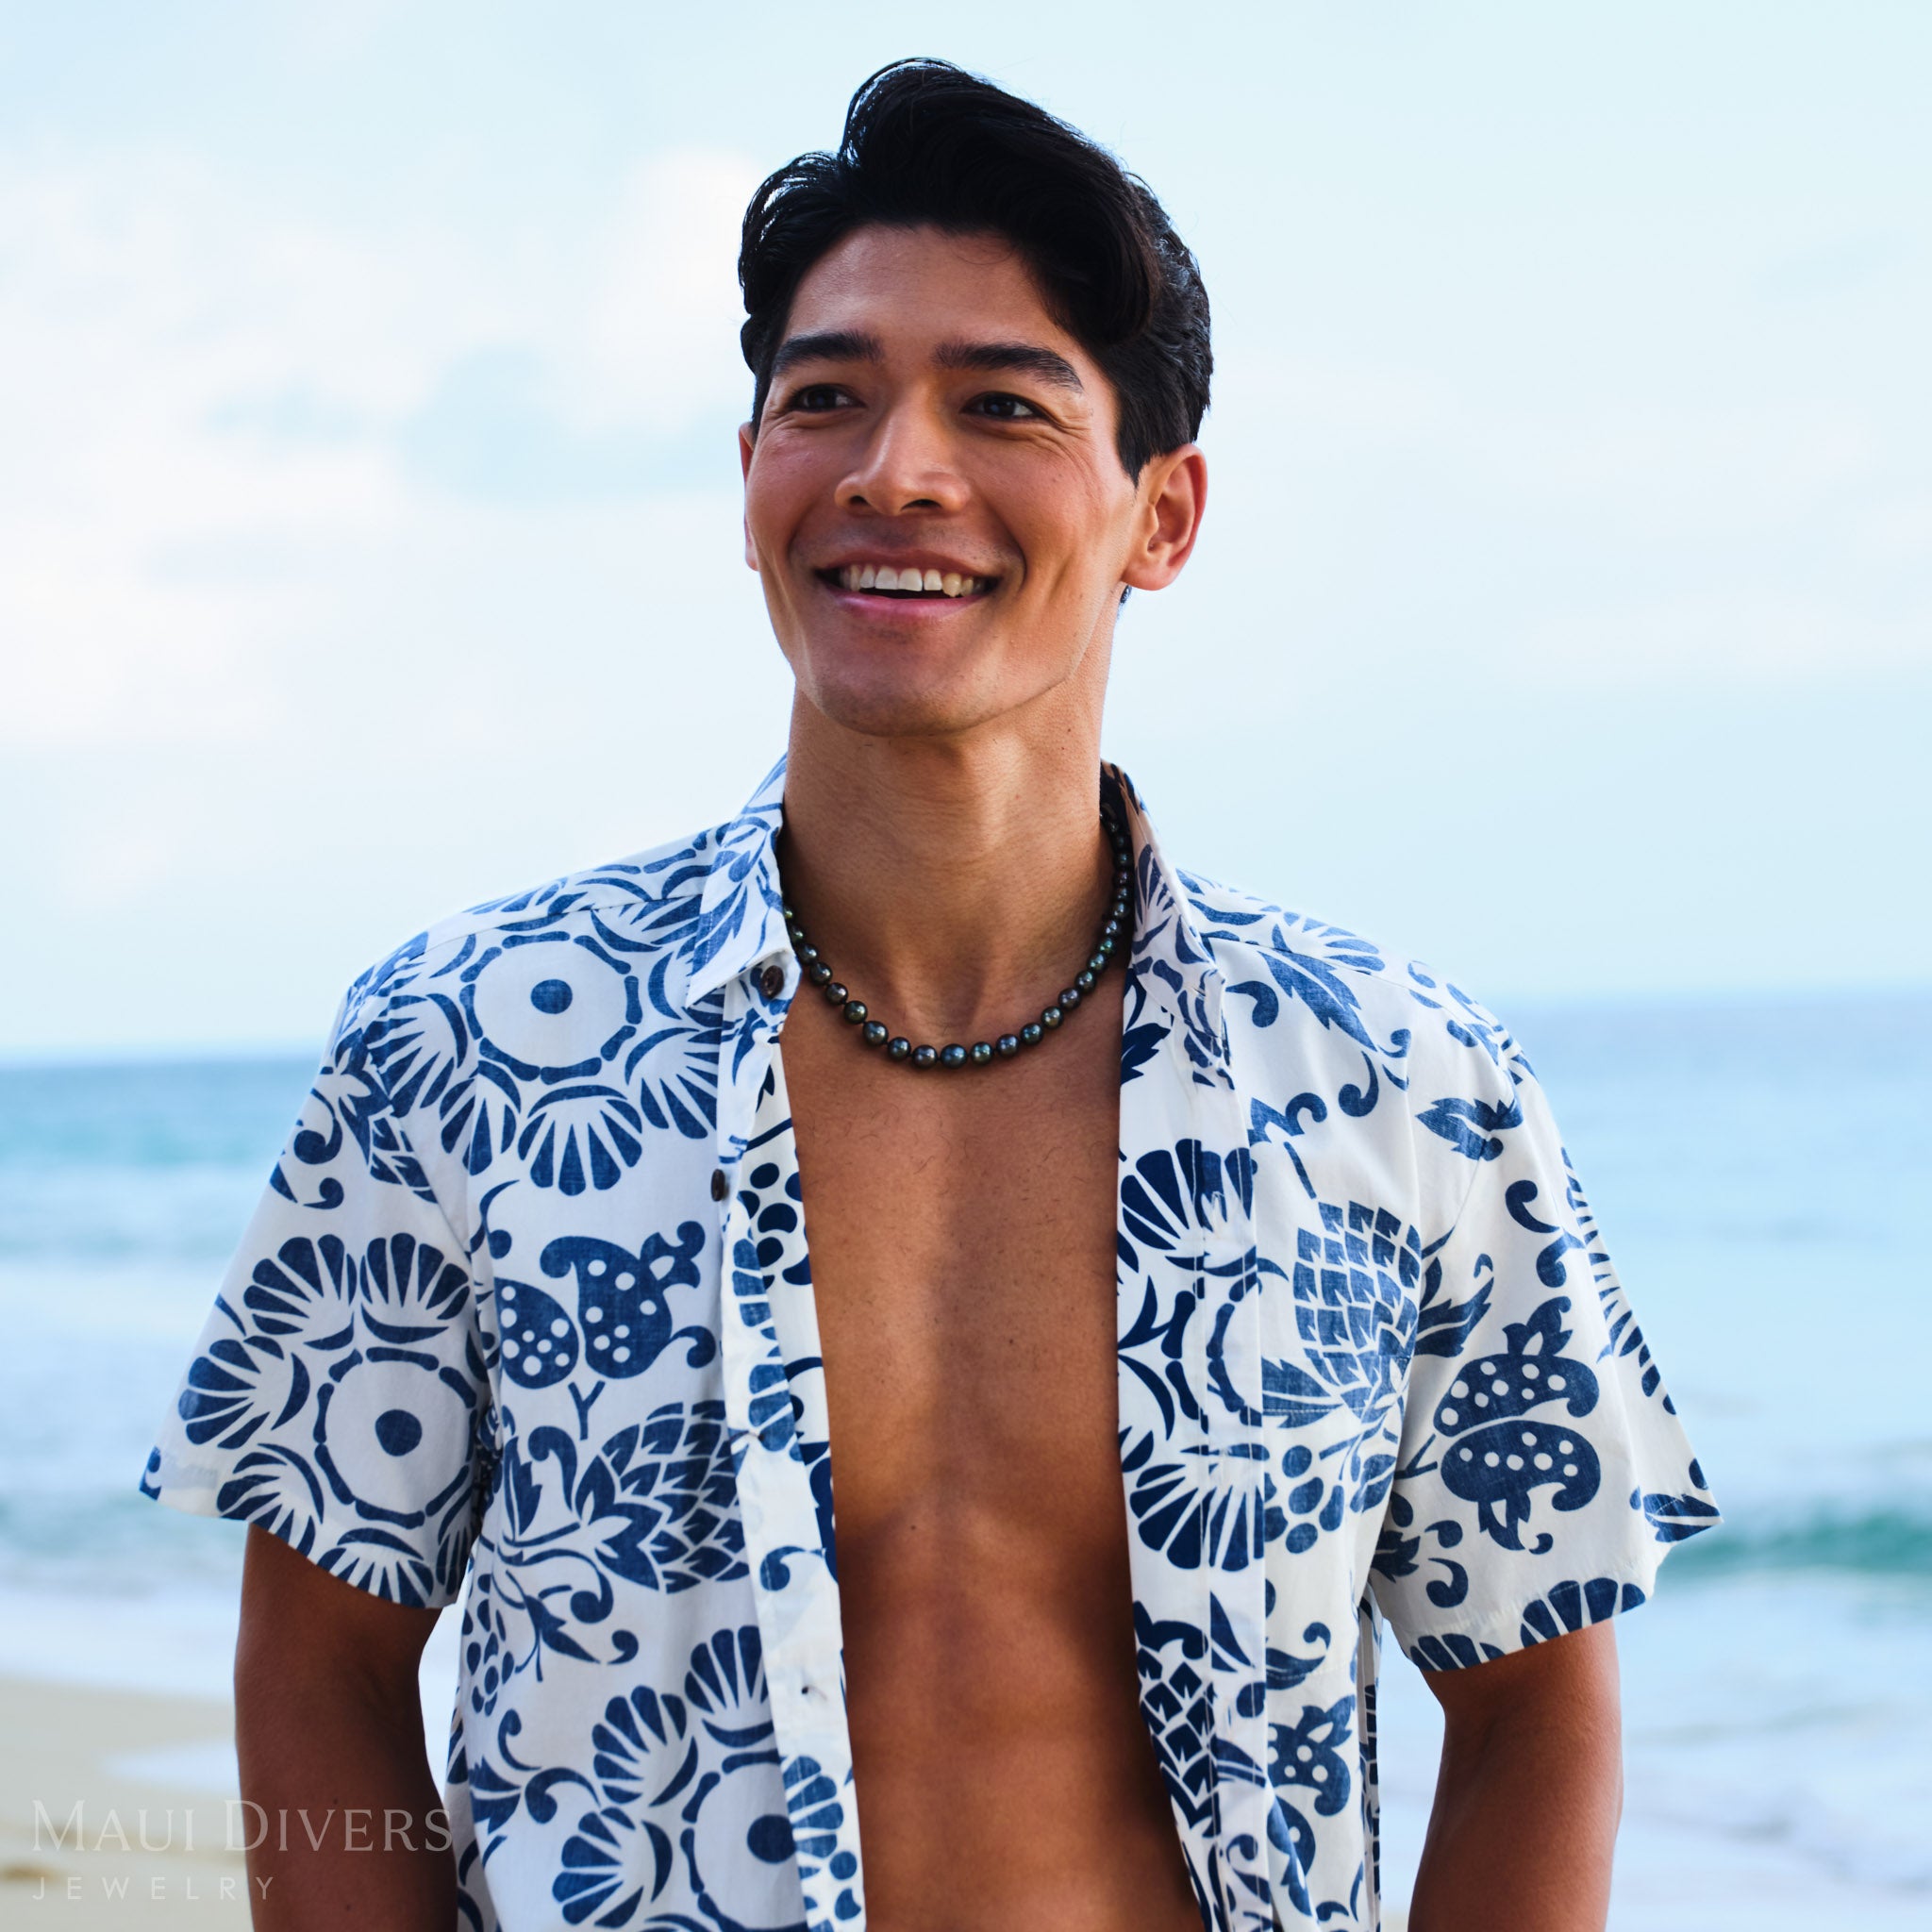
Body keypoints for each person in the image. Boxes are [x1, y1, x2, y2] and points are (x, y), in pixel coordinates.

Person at [142, 58, 1720, 1932]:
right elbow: (317, 1663)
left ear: (1164, 516)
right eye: (827, 398)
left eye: (1002, 403)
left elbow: (1536, 1693)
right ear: (750, 485)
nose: (896, 469)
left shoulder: (1404, 1086)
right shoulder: (472, 1045)